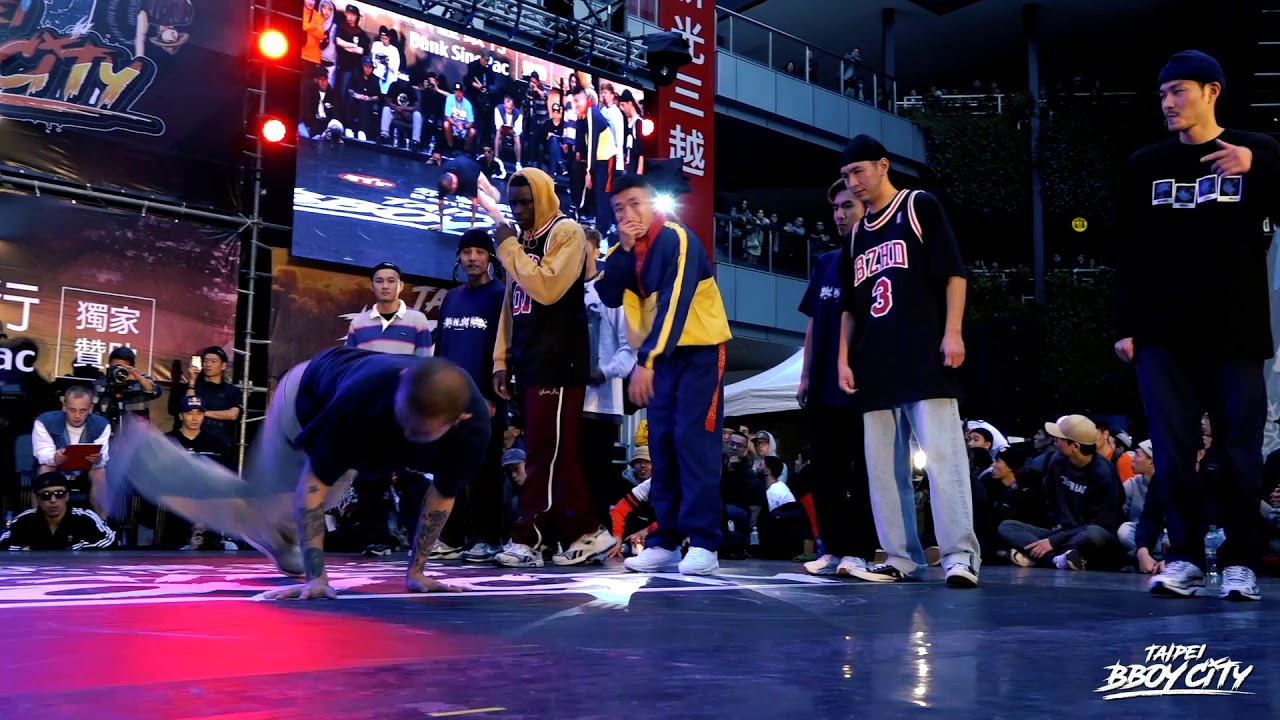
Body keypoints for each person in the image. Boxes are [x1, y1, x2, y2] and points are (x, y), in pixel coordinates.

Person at [105, 348, 490, 598]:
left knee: (289, 548)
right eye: (403, 423)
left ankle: (273, 540)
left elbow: (442, 495)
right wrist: (317, 579)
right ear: (401, 387)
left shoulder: (471, 433)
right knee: (267, 505)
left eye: (419, 434)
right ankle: (143, 453)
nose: (409, 438)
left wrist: (417, 574)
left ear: (459, 420)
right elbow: (313, 487)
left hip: (360, 425)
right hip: (304, 399)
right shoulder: (363, 399)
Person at [1113, 50, 1278, 601]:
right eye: (1162, 94)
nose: (1167, 102)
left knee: (1239, 454)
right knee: (1174, 450)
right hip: (1163, 332)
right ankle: (1182, 557)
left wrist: (1257, 166)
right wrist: (1124, 324)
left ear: (1212, 91)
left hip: (1235, 330)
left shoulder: (1260, 152)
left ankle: (1240, 562)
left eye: (1178, 90)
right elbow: (1129, 251)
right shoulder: (1144, 164)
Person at [835, 134, 980, 588]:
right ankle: (900, 557)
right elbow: (849, 306)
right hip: (874, 359)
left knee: (943, 459)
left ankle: (959, 555)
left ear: (882, 165)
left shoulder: (918, 206)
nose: (852, 182)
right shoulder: (857, 231)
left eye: (859, 171)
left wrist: (952, 332)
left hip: (921, 353)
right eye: (845, 176)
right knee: (882, 469)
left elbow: (954, 272)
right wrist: (843, 359)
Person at [593, 173, 733, 576]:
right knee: (663, 446)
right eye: (619, 208)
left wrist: (646, 360)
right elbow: (606, 293)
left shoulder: (677, 237)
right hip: (660, 359)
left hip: (699, 352)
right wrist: (620, 249)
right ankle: (665, 540)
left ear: (654, 203)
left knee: (695, 443)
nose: (627, 214)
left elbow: (674, 306)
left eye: (635, 203)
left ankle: (705, 541)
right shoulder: (626, 249)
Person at [483, 168, 614, 568]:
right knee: (557, 454)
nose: (520, 210)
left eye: (527, 202)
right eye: (515, 203)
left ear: (543, 198)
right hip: (530, 361)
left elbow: (548, 287)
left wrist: (507, 249)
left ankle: (529, 536)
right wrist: (501, 360)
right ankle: (586, 532)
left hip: (559, 361)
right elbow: (511, 305)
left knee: (544, 453)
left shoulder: (568, 233)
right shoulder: (521, 242)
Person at [799, 180, 879, 577]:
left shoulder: (876, 259)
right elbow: (814, 321)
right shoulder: (826, 261)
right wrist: (804, 375)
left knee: (860, 471)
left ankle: (860, 550)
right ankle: (832, 547)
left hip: (861, 385)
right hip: (822, 385)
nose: (839, 214)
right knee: (824, 472)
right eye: (835, 208)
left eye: (848, 206)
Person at [434, 229, 509, 563]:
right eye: (467, 252)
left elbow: (503, 348)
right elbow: (442, 350)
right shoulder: (451, 298)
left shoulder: (500, 295)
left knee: (485, 469)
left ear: (490, 257)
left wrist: (491, 396)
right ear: (459, 258)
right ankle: (450, 537)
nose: (473, 258)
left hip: (486, 399)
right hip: (449, 400)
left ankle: (486, 538)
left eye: (480, 251)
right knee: (450, 467)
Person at [0, 472, 115, 550]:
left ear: (67, 496)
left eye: (60, 494)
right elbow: (4, 545)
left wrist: (76, 550)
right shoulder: (24, 521)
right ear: (37, 499)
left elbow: (110, 541)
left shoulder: (84, 518)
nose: (53, 500)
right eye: (46, 495)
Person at [436, 154, 503, 232]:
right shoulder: (442, 181)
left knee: (494, 197)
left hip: (475, 174)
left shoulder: (468, 178)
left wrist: (472, 225)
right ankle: (502, 225)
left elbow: (474, 204)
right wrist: (440, 225)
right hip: (463, 175)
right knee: (489, 204)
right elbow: (441, 203)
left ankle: (495, 193)